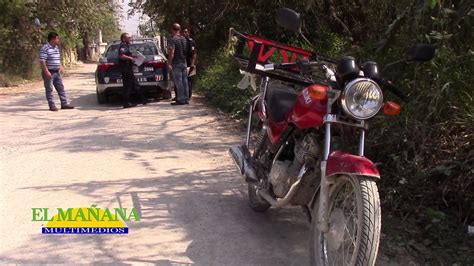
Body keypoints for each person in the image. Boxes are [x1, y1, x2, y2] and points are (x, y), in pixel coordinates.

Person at [39, 32, 74, 111]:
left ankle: (64, 104)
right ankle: (52, 106)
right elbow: (42, 61)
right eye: (57, 39)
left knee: (61, 88)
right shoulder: (45, 48)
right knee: (49, 89)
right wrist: (46, 72)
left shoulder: (56, 48)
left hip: (57, 72)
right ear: (53, 39)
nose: (58, 40)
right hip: (49, 72)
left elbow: (58, 58)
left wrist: (60, 65)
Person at [118, 32, 148, 108]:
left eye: (130, 37)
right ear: (124, 39)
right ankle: (126, 103)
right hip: (125, 68)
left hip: (128, 68)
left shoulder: (126, 45)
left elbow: (126, 54)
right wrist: (131, 58)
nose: (130, 39)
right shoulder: (123, 45)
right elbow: (121, 56)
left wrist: (133, 55)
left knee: (135, 84)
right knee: (128, 85)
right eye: (128, 37)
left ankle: (143, 99)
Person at [167, 23, 189, 105]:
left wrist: (169, 63)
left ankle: (180, 99)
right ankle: (186, 98)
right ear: (179, 29)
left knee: (178, 82)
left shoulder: (173, 39)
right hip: (184, 61)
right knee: (184, 81)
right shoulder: (183, 39)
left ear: (172, 30)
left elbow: (171, 52)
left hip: (176, 62)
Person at [183, 27, 197, 100]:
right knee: (183, 79)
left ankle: (189, 95)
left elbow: (194, 54)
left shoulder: (191, 41)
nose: (185, 33)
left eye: (186, 32)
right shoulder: (182, 41)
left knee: (189, 79)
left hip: (190, 62)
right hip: (183, 62)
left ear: (189, 33)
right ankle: (183, 95)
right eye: (184, 32)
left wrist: (192, 63)